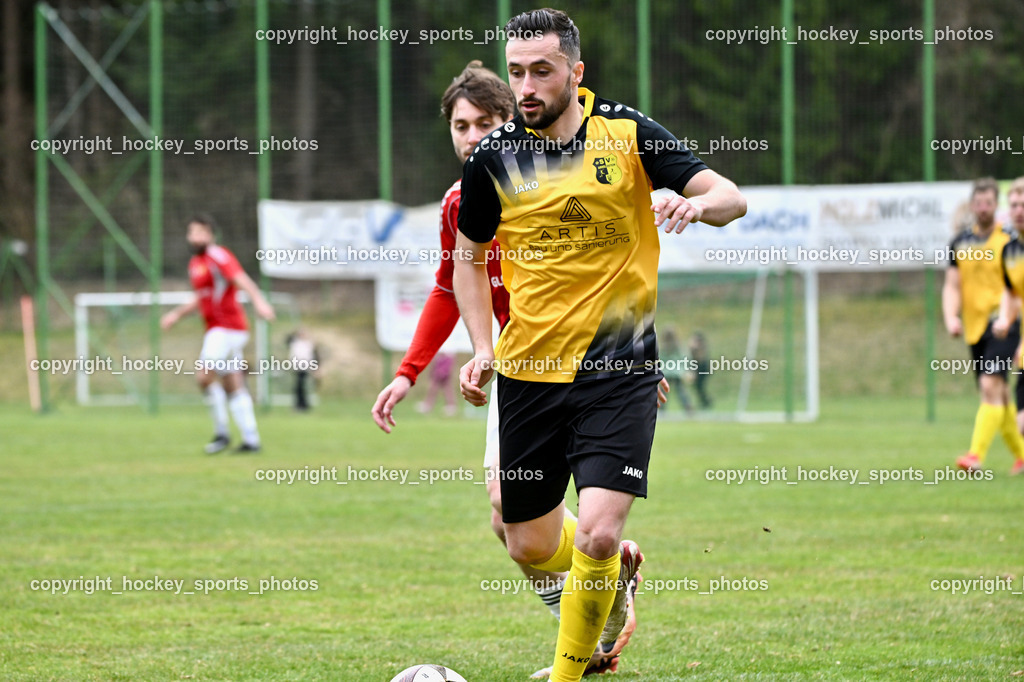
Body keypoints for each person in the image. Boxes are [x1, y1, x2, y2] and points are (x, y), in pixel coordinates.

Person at [453, 9, 746, 681]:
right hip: (529, 374)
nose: (526, 87)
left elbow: (730, 196)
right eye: (517, 72)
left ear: (575, 72)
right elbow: (466, 259)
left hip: (620, 372)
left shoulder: (626, 134)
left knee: (599, 533)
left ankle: (569, 673)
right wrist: (481, 346)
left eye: (541, 72)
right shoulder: (494, 158)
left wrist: (698, 205)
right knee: (526, 543)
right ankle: (612, 583)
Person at [371, 61, 656, 674]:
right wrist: (408, 371)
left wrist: (635, 360)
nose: (471, 137)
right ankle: (598, 603)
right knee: (513, 532)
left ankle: (587, 629)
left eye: (484, 123)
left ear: (512, 122)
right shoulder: (461, 202)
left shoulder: (554, 183)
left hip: (589, 362)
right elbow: (449, 287)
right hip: (519, 367)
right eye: (459, 125)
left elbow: (612, 267)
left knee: (515, 512)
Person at [161, 213, 275, 453]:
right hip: (222, 330)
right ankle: (251, 439)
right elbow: (200, 298)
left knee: (204, 376)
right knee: (232, 383)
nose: (195, 237)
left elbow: (242, 279)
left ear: (210, 235)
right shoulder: (196, 264)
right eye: (192, 232)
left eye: (200, 232)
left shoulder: (218, 256)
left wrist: (259, 302)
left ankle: (222, 433)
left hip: (226, 328)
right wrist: (176, 314)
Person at [942, 178, 1024, 473]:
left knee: (990, 384)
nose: (983, 208)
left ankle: (975, 456)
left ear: (995, 205)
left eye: (989, 202)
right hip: (976, 327)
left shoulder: (1009, 241)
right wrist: (952, 316)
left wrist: (1009, 319)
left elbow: (1012, 290)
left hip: (1005, 323)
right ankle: (1022, 456)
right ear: (972, 204)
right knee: (997, 393)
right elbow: (952, 286)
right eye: (978, 202)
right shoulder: (960, 242)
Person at [988, 176, 1024, 476]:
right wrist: (1004, 318)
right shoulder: (1010, 251)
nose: (1019, 210)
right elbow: (1012, 291)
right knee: (1021, 423)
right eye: (1014, 205)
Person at [285, 328, 318, 411]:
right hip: (297, 367)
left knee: (301, 387)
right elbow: (288, 339)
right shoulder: (295, 343)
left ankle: (303, 405)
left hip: (305, 368)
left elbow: (311, 356)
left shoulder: (308, 344)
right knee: (298, 387)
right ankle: (300, 405)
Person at [416, 352, 458, 416]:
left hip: (445, 356)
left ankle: (450, 406)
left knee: (440, 385)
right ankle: (450, 406)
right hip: (442, 356)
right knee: (442, 385)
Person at [690, 331, 712, 409]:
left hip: (702, 368)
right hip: (698, 368)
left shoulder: (701, 348)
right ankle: (705, 402)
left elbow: (700, 359)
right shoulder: (694, 348)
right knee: (698, 387)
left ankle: (706, 402)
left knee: (700, 386)